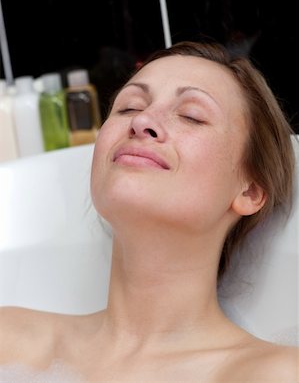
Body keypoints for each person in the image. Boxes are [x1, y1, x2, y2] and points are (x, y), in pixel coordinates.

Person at [0, 41, 297, 382]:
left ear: (250, 190)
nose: (142, 120)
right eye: (127, 108)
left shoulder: (272, 373)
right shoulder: (9, 341)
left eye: (192, 115)